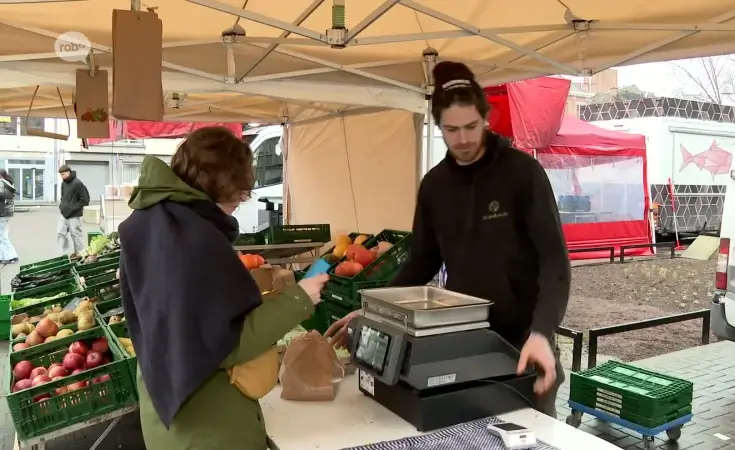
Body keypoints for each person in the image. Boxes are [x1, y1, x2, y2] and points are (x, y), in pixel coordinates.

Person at [325, 61, 571, 417]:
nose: (464, 138)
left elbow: (555, 262)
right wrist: (374, 309)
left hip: (525, 342)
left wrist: (542, 332)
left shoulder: (522, 173)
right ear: (438, 126)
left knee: (533, 434)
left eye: (471, 126)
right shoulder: (435, 185)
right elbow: (422, 261)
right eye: (451, 129)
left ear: (486, 118)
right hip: (464, 342)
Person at [118, 127, 329, 450]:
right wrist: (300, 298)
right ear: (224, 183)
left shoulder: (151, 220)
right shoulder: (195, 237)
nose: (240, 201)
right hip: (209, 425)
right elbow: (225, 340)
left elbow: (187, 319)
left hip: (165, 406)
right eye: (241, 191)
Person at [57, 165, 90, 255]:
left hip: (74, 215)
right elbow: (63, 197)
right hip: (64, 214)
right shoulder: (63, 184)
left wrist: (72, 208)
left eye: (63, 174)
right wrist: (62, 206)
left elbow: (85, 199)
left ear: (68, 172)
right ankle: (62, 255)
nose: (62, 177)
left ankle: (80, 253)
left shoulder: (77, 183)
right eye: (61, 175)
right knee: (61, 233)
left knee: (76, 235)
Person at [0, 169, 18, 264]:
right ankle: (3, 256)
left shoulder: (1, 183)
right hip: (7, 212)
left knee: (2, 236)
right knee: (3, 234)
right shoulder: (8, 183)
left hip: (2, 212)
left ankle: (12, 256)